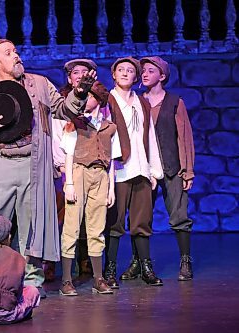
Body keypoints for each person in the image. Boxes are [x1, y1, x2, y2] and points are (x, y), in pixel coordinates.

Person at [0, 39, 94, 298]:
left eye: (16, 51)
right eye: (9, 53)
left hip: (32, 164)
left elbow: (63, 110)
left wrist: (78, 94)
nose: (17, 56)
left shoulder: (40, 84)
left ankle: (31, 281)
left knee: (32, 226)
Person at [103, 57, 164, 288]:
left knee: (141, 221)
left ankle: (145, 266)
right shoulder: (107, 101)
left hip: (140, 168)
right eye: (121, 70)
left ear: (136, 77)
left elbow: (149, 136)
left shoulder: (141, 103)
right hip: (118, 170)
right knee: (115, 222)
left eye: (130, 71)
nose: (126, 73)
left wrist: (153, 170)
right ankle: (110, 270)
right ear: (114, 74)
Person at [59, 80, 120, 296]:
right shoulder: (75, 122)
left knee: (96, 227)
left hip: (100, 175)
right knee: (72, 226)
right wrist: (69, 183)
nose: (87, 100)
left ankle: (98, 278)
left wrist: (111, 188)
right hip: (78, 171)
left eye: (91, 97)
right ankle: (66, 279)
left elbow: (111, 160)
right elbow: (68, 153)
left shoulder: (109, 127)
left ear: (99, 101)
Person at [140, 56, 195, 281]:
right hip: (145, 169)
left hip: (172, 167)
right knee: (142, 218)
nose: (144, 74)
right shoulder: (137, 101)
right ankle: (141, 263)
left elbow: (185, 137)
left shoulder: (174, 102)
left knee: (179, 215)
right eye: (143, 70)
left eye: (150, 71)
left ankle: (185, 261)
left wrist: (187, 170)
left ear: (162, 76)